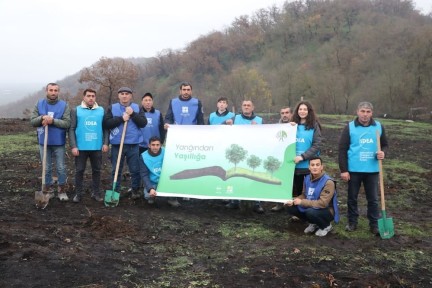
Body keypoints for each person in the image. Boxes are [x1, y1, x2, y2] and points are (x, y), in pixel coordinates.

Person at [338, 101, 388, 235]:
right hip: (353, 170)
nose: (365, 115)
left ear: (371, 113)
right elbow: (342, 149)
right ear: (357, 112)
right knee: (352, 198)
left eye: (368, 112)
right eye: (363, 111)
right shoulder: (349, 127)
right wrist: (344, 170)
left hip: (372, 170)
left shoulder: (378, 126)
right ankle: (352, 222)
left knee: (373, 199)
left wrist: (383, 152)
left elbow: (384, 145)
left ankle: (374, 224)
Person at [164, 82, 204, 206]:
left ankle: (187, 192)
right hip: (177, 139)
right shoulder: (173, 102)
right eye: (184, 89)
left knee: (190, 165)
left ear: (191, 91)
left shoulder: (197, 103)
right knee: (176, 165)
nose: (186, 92)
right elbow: (168, 117)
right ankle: (174, 193)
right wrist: (167, 123)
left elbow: (201, 122)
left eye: (188, 89)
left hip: (191, 139)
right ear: (180, 91)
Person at [103, 87, 147, 200]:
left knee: (135, 169)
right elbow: (106, 124)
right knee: (116, 169)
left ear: (131, 96)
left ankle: (135, 190)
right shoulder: (112, 108)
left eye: (127, 94)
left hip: (133, 144)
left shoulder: (137, 107)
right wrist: (121, 119)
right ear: (118, 96)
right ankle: (115, 191)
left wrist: (133, 114)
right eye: (122, 94)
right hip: (117, 145)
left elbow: (143, 123)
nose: (124, 96)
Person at [30, 82, 71, 201]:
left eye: (55, 90)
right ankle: (46, 190)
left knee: (61, 167)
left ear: (58, 92)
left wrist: (52, 121)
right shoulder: (39, 103)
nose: (53, 92)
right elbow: (32, 121)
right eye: (51, 90)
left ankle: (62, 190)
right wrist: (42, 118)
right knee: (46, 167)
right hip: (44, 141)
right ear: (46, 91)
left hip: (59, 142)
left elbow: (67, 123)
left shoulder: (64, 105)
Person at [224, 100, 265, 214]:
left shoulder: (260, 120)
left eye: (249, 105)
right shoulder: (235, 118)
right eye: (244, 105)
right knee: (236, 177)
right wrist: (225, 124)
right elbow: (220, 128)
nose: (246, 107)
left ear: (253, 107)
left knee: (255, 178)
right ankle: (234, 201)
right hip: (237, 154)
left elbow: (267, 135)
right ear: (241, 107)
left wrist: (259, 129)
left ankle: (257, 203)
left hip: (254, 154)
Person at [69, 88, 109, 203]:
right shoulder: (76, 110)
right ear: (84, 97)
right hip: (80, 148)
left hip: (96, 147)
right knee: (79, 170)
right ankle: (78, 194)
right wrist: (73, 146)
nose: (91, 98)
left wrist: (106, 143)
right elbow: (71, 129)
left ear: (95, 98)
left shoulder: (101, 110)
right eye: (88, 96)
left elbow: (105, 128)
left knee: (97, 170)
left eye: (93, 96)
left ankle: (96, 193)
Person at [285, 156, 339, 237]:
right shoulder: (307, 178)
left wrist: (302, 202)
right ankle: (314, 223)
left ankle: (326, 226)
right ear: (309, 167)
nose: (315, 167)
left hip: (326, 210)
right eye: (312, 165)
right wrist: (294, 200)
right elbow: (304, 194)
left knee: (310, 212)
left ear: (322, 167)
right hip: (311, 207)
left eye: (317, 165)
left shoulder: (328, 182)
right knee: (289, 206)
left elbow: (323, 203)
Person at [271, 106, 293, 212]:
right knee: (279, 180)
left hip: (293, 158)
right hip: (279, 158)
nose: (284, 115)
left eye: (287, 113)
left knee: (294, 183)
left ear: (291, 114)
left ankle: (293, 207)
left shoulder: (295, 126)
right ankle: (279, 204)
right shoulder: (276, 127)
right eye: (282, 113)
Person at [139, 136, 164, 205]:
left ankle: (172, 199)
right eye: (153, 145)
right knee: (147, 196)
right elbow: (144, 174)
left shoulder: (166, 153)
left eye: (157, 145)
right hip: (152, 182)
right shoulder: (143, 157)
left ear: (160, 145)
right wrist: (150, 188)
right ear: (149, 145)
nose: (155, 147)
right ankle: (152, 194)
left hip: (165, 181)